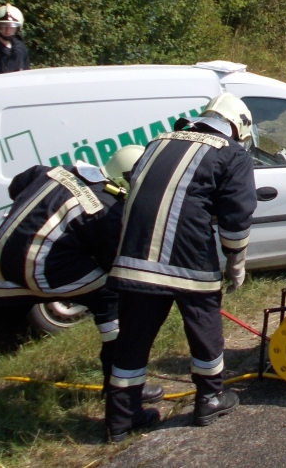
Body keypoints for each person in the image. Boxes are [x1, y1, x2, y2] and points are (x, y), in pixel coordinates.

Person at [0, 147, 165, 406]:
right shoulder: (106, 207)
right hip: (46, 269)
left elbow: (19, 184)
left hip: (0, 261)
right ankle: (121, 387)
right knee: (112, 297)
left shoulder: (56, 171)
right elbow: (112, 262)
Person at [104, 94, 257, 442]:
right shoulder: (231, 153)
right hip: (189, 258)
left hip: (135, 258)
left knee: (133, 339)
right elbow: (236, 217)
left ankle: (119, 420)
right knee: (204, 327)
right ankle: (210, 397)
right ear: (237, 126)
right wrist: (236, 262)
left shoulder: (157, 142)